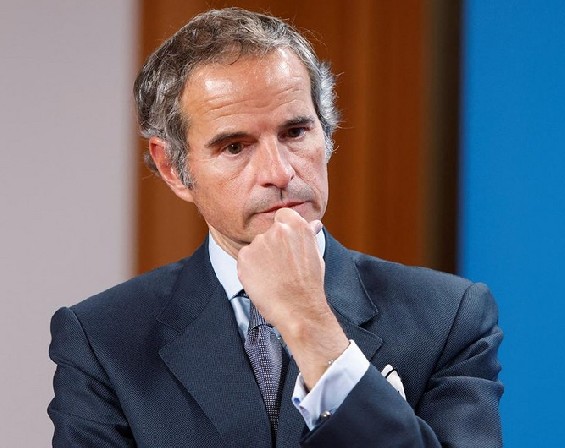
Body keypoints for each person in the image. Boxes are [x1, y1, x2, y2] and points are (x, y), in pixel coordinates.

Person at [48, 8, 503, 447]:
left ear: (326, 133)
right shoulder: (102, 339)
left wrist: (312, 325)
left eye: (295, 133)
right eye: (235, 146)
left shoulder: (449, 316)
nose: (279, 172)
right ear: (173, 168)